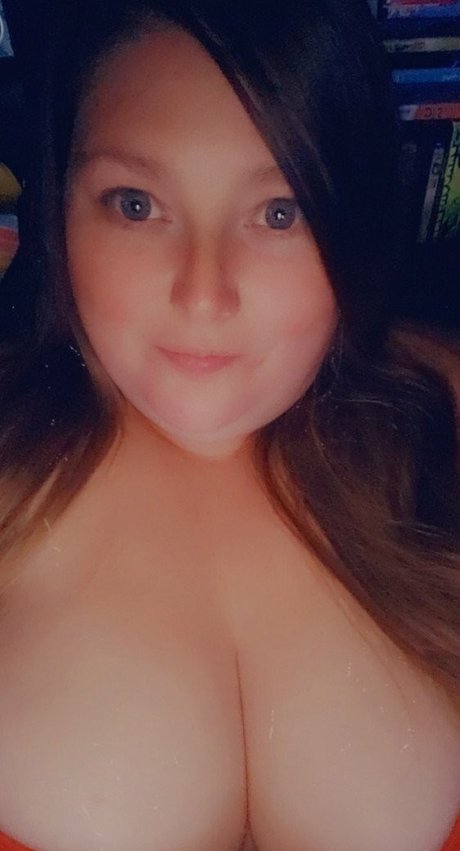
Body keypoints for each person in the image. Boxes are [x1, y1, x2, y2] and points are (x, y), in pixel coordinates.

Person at [0, 1, 459, 849]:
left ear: (352, 220)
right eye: (136, 204)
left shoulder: (441, 422)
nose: (204, 294)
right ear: (62, 208)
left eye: (279, 212)